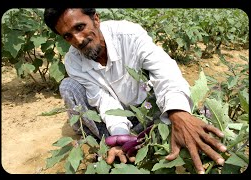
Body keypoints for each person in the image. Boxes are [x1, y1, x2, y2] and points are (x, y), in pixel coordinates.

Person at [43, 8, 227, 174]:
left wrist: (177, 112)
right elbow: (103, 99)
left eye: (80, 27)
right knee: (68, 87)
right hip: (111, 118)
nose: (78, 39)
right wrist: (119, 134)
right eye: (67, 36)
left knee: (193, 115)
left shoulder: (128, 34)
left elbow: (164, 70)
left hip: (145, 109)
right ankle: (119, 143)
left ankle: (153, 131)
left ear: (96, 19)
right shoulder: (73, 61)